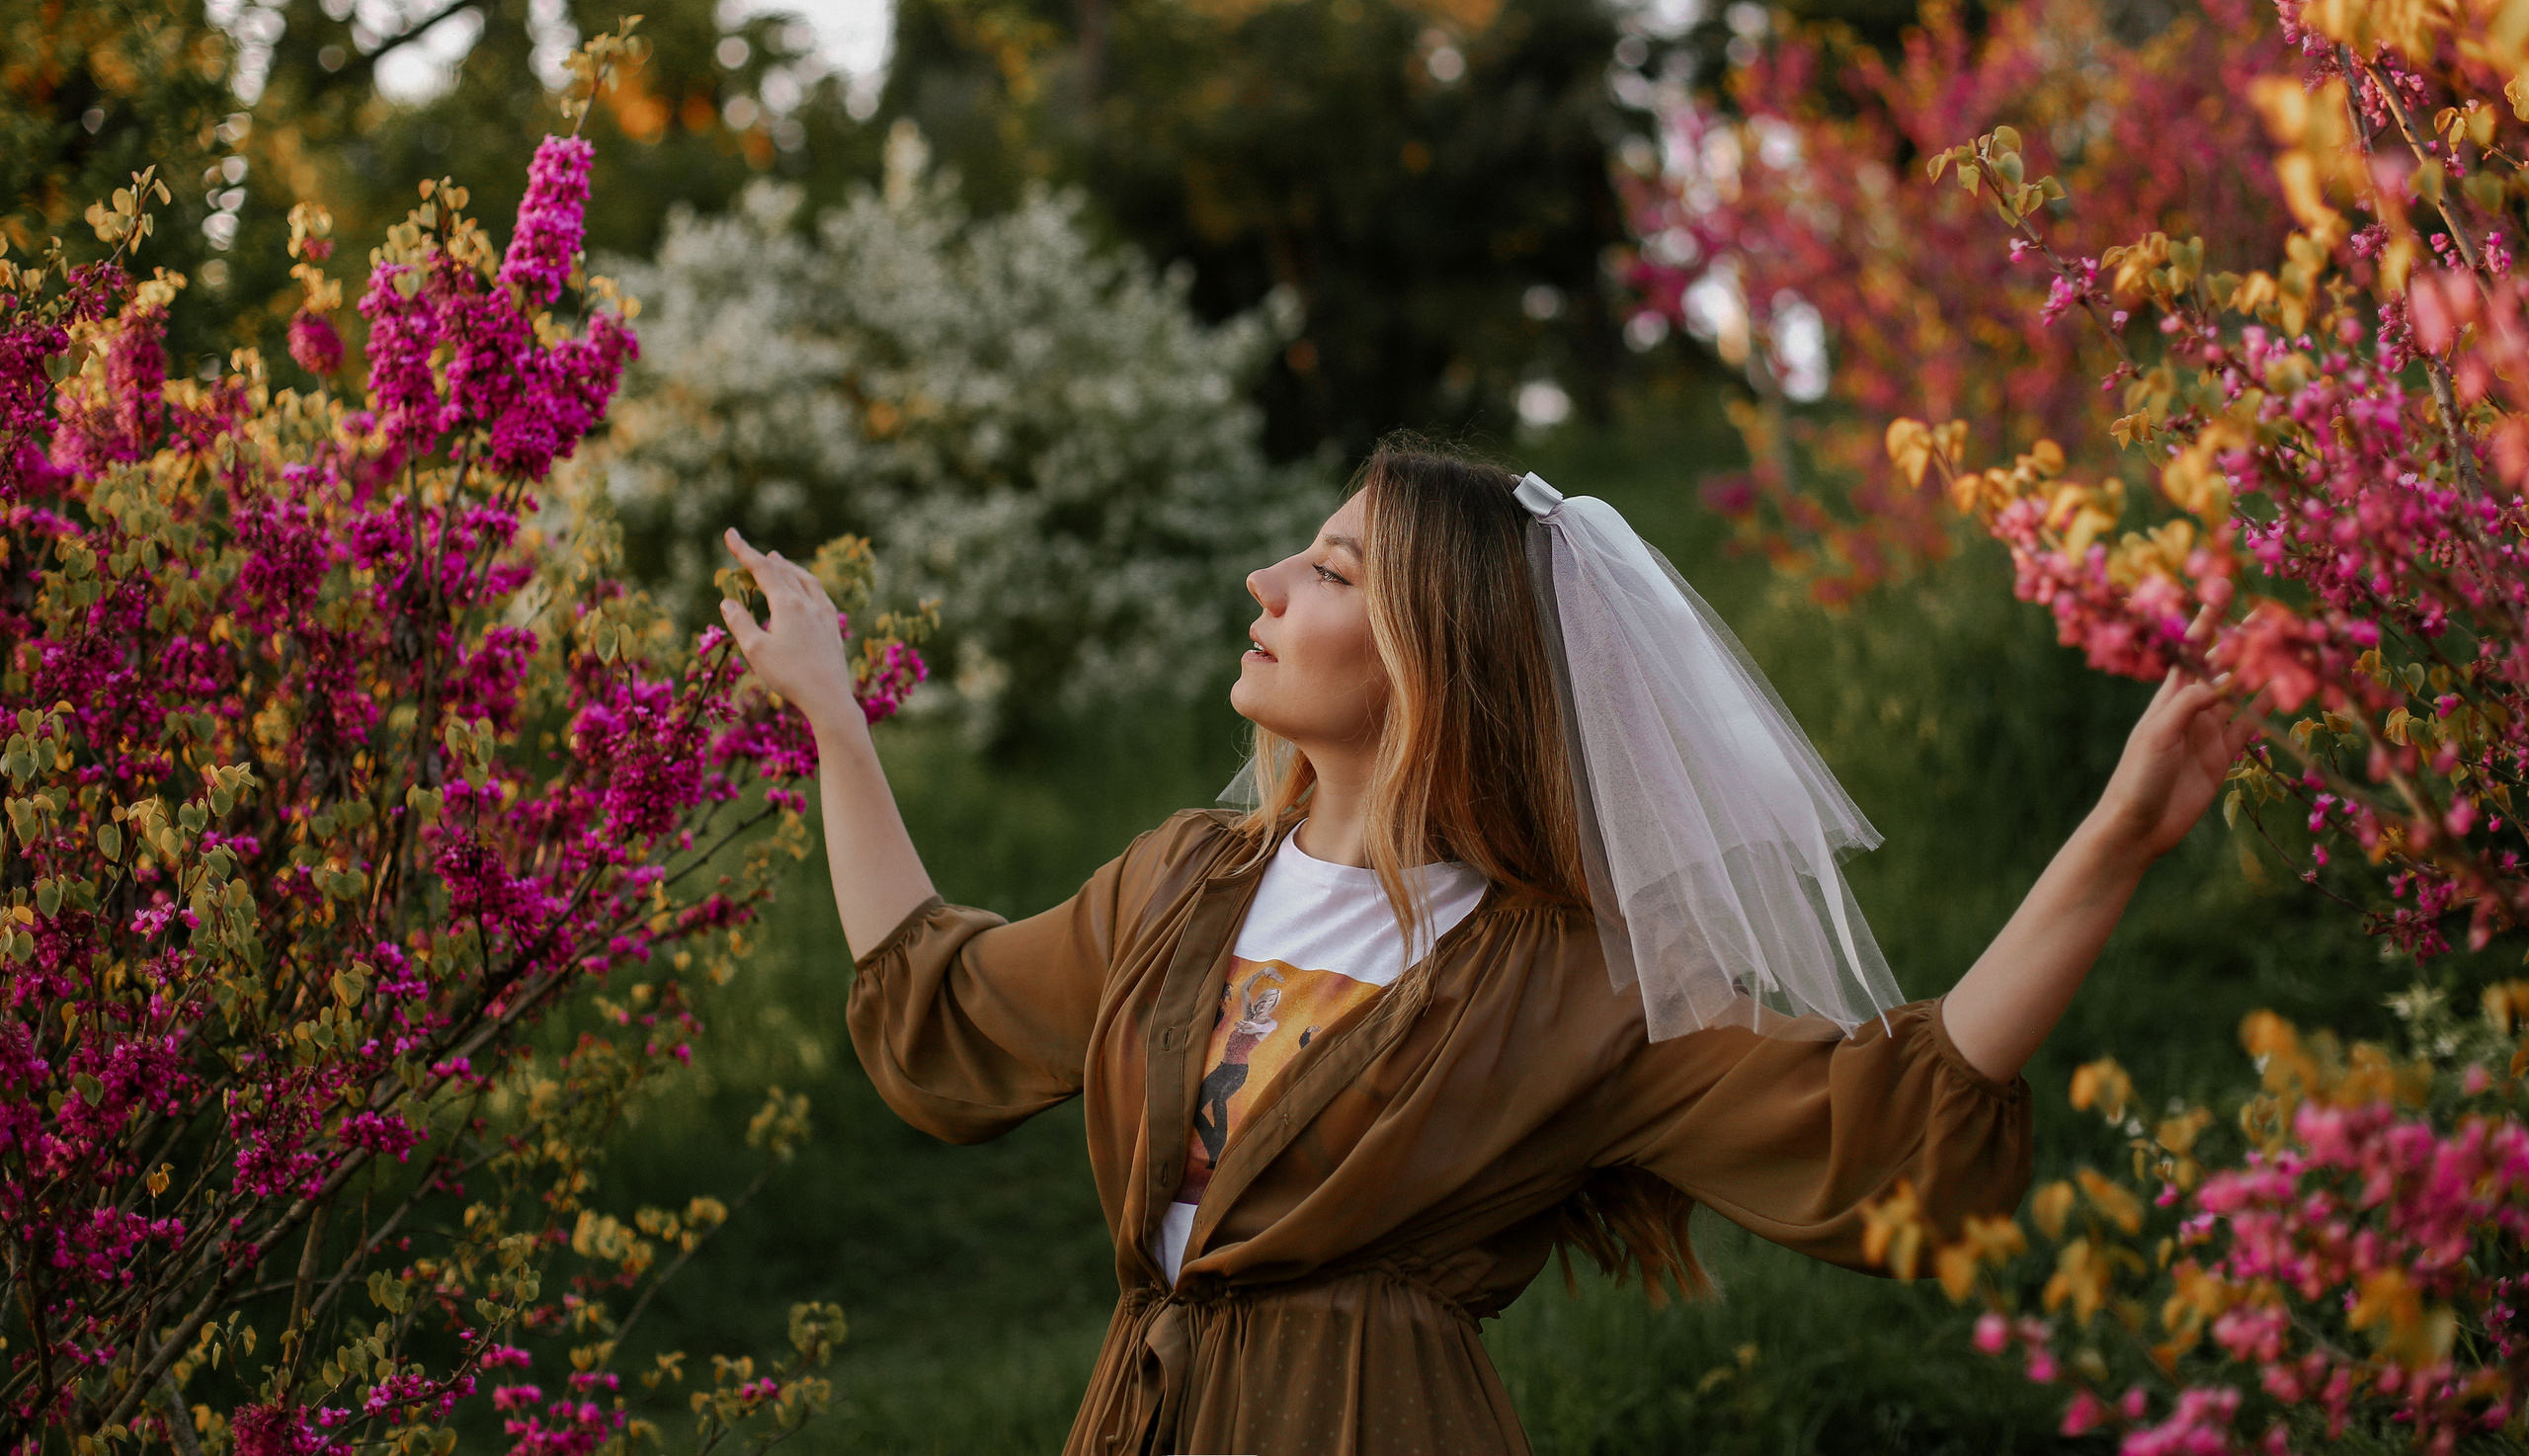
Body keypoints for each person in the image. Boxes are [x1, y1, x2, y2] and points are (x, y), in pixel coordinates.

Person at [716, 438, 2260, 1456]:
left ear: (1427, 657)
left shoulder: (1577, 982)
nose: (1267, 584)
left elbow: (1886, 1128)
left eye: (1330, 571)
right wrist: (834, 718)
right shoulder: (1178, 888)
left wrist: (2116, 836)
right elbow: (946, 1009)